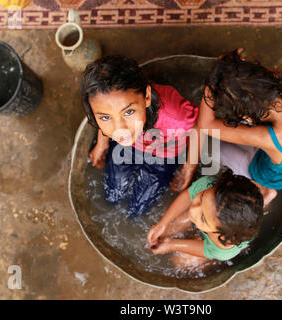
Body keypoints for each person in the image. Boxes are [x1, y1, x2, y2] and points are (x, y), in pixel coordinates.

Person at [197, 49, 282, 202]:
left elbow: (206, 124)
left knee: (213, 147)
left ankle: (264, 190)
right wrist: (238, 70)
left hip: (267, 175)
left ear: (246, 117)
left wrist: (212, 81)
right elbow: (272, 74)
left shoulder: (268, 137)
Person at [80, 55, 200, 217]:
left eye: (128, 112)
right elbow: (102, 120)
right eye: (106, 117)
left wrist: (189, 166)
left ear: (147, 97)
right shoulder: (120, 130)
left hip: (164, 154)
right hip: (129, 146)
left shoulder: (176, 116)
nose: (120, 128)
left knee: (138, 209)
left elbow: (200, 128)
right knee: (112, 195)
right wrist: (102, 142)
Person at [147, 169, 264, 269]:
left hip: (221, 245)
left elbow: (206, 249)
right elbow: (188, 195)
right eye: (201, 198)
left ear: (221, 234)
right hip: (219, 226)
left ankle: (213, 258)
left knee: (179, 261)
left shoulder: (223, 246)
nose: (193, 210)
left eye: (203, 217)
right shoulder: (210, 185)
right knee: (168, 230)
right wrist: (162, 223)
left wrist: (171, 245)